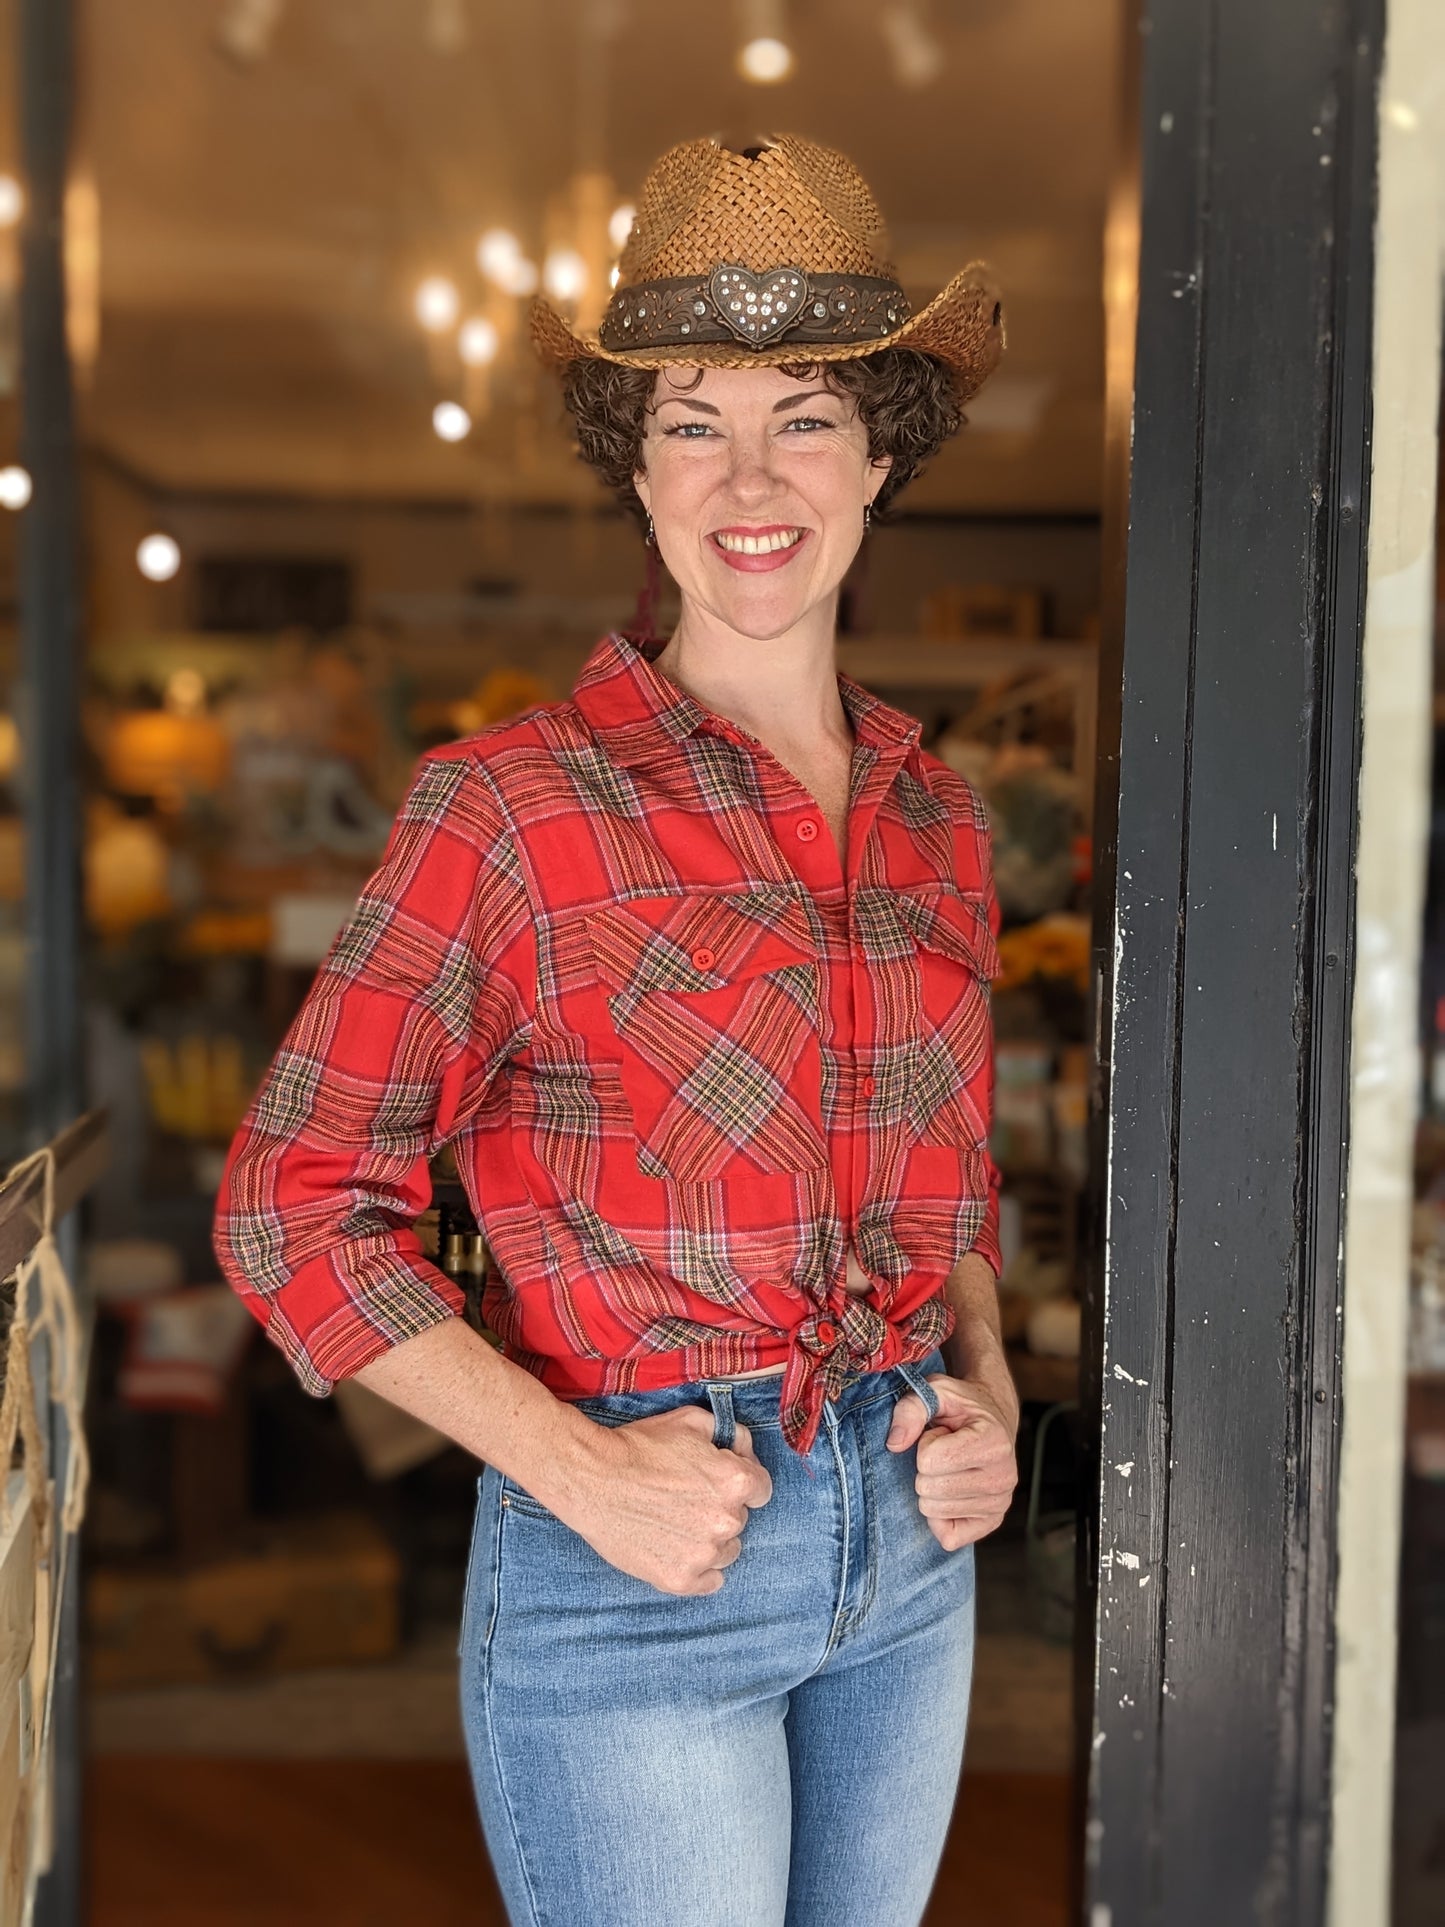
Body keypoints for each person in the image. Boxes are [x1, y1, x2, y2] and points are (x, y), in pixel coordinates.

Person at [215, 133, 1019, 1927]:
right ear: (633, 470)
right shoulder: (504, 810)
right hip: (634, 1557)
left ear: (880, 451)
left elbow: (946, 1195)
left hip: (909, 1563)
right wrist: (579, 1469)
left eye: (804, 417)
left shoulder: (939, 823)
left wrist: (991, 1387)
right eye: (687, 421)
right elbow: (289, 1204)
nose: (751, 476)